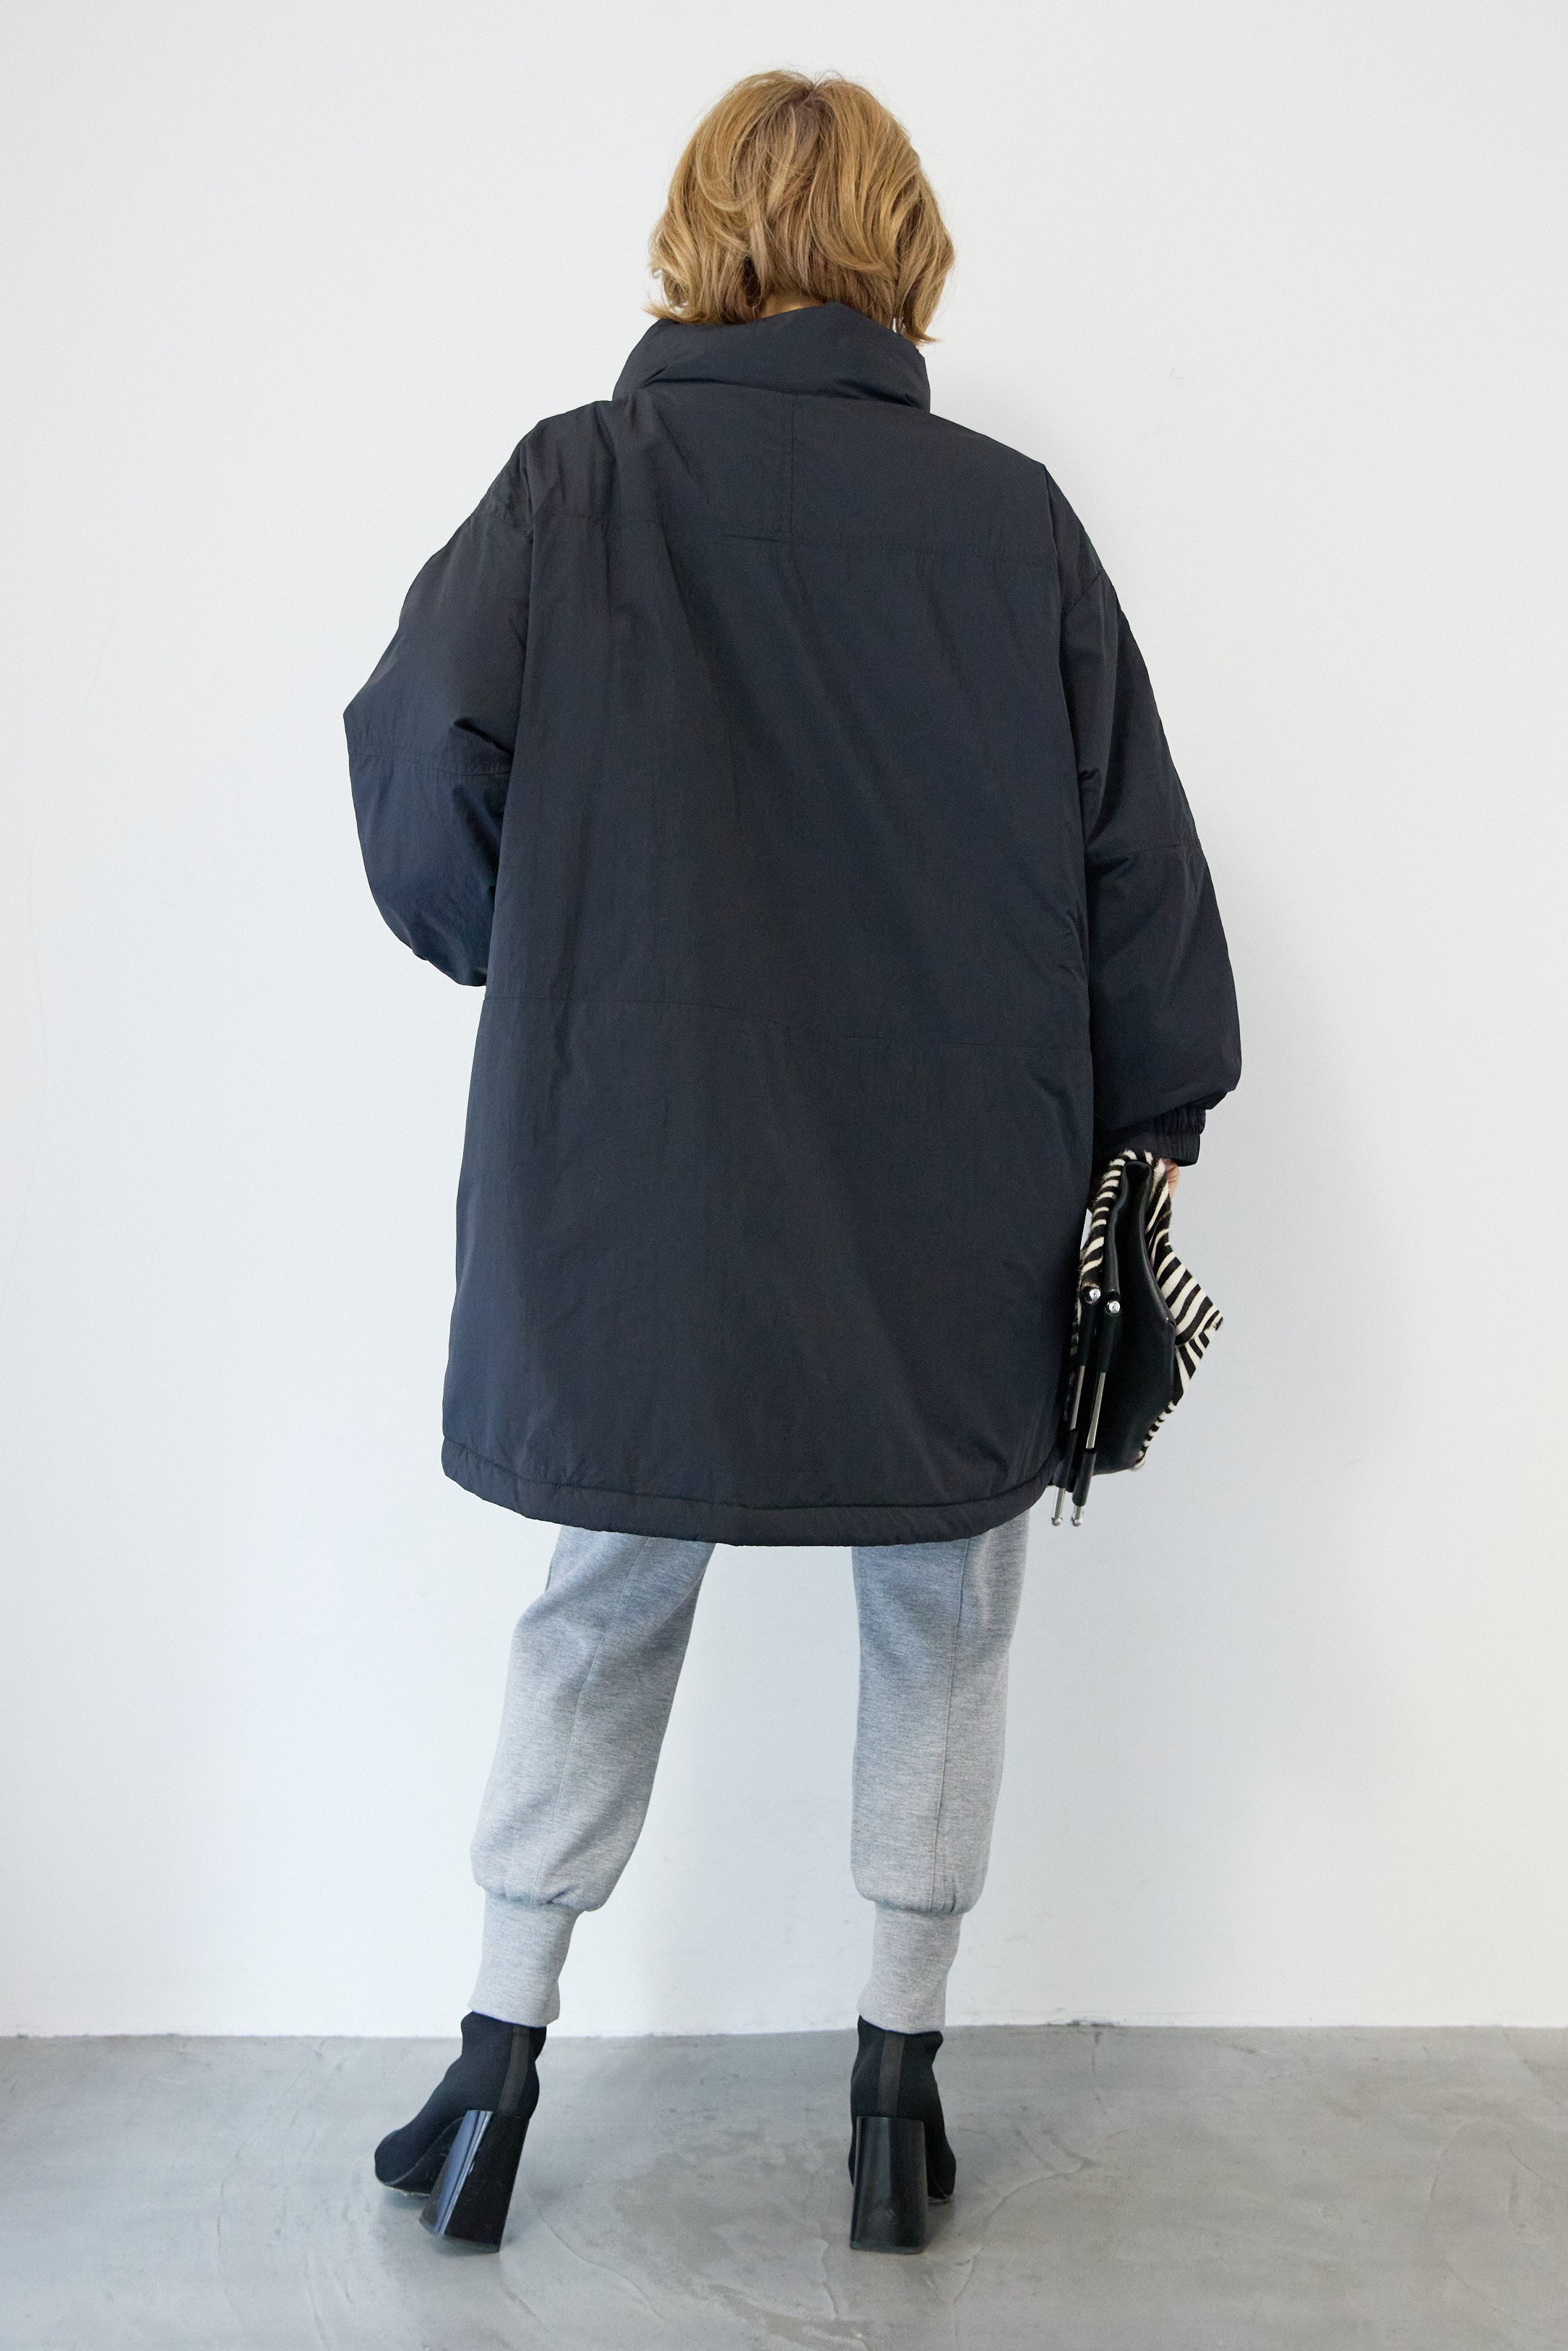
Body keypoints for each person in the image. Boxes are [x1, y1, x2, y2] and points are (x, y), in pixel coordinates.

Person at [345, 68, 1241, 2256]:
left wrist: (548, 943)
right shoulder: (1010, 523)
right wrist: (1157, 1115)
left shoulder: (575, 487)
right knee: (945, 1606)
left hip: (640, 1170)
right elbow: (1133, 855)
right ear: (899, 249)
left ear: (699, 232)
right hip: (954, 1170)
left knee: (599, 1597)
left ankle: (493, 2066)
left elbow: (418, 770)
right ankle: (892, 2099)